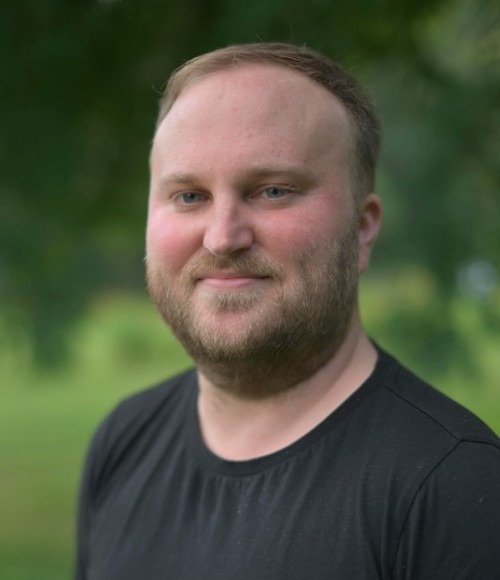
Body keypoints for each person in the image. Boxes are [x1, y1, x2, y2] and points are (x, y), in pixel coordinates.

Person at [75, 43, 500, 579]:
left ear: (363, 227)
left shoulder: (455, 487)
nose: (223, 236)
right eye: (188, 196)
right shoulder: (122, 443)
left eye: (273, 190)